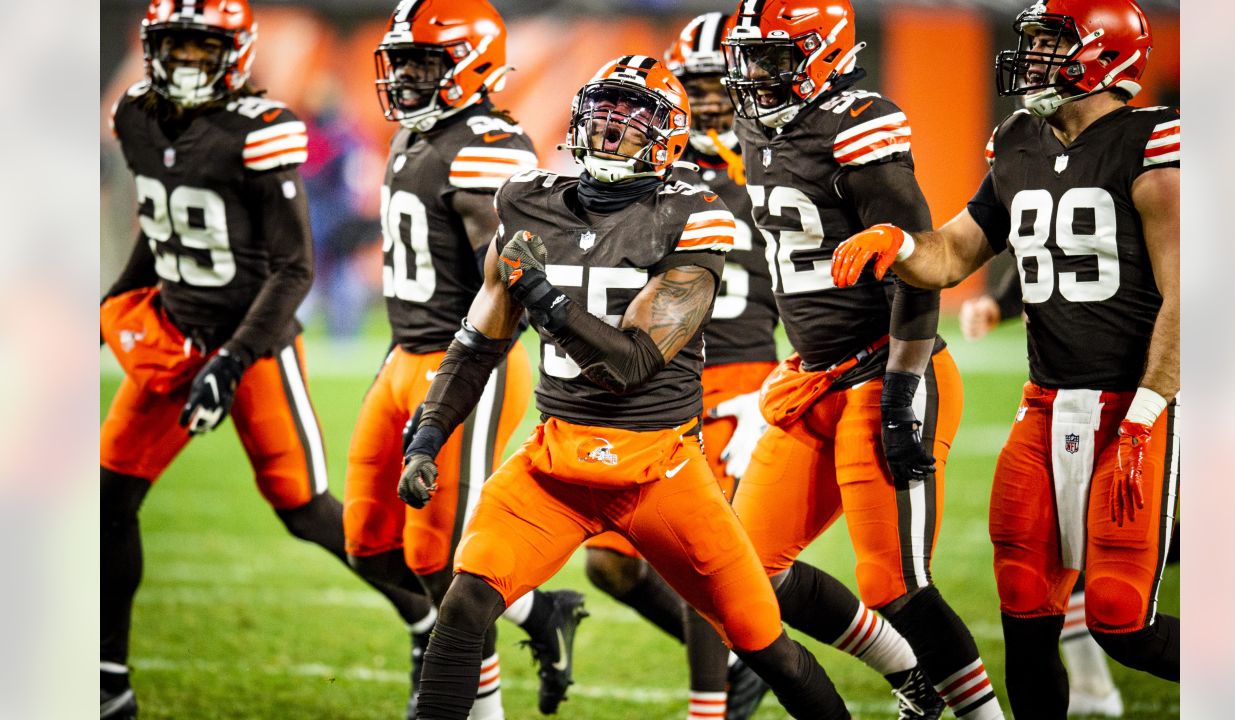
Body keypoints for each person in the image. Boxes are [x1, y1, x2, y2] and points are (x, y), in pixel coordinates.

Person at [398, 55, 853, 720]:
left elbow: (633, 365)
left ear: (666, 137)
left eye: (632, 118)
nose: (610, 129)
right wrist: (429, 433)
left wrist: (548, 300)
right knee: (466, 600)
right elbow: (480, 340)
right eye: (601, 112)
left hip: (659, 467)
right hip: (556, 462)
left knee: (762, 640)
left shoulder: (691, 216)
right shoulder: (528, 202)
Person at [830, 0, 1180, 717]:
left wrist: (1150, 409)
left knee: (1120, 618)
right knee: (1024, 603)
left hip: (1136, 404)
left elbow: (1189, 294)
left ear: (1103, 54)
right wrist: (898, 246)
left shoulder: (1152, 143)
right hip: (1047, 401)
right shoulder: (1017, 140)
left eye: (1053, 44)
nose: (1035, 60)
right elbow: (955, 251)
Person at [98, 2, 429, 717]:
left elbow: (292, 269)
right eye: (174, 48)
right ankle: (107, 681)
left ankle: (427, 618)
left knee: (305, 511)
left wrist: (232, 361)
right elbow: (160, 229)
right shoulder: (137, 115)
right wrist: (111, 306)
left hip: (254, 343)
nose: (186, 62)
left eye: (201, 48)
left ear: (236, 52)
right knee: (107, 502)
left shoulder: (262, 131)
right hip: (171, 337)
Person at [722, 2, 1005, 718]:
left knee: (894, 583)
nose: (757, 74)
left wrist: (904, 387)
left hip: (885, 369)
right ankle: (909, 673)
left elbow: (917, 262)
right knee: (746, 569)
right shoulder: (763, 125)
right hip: (814, 378)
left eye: (777, 58)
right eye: (751, 56)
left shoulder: (856, 125)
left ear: (825, 54)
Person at [346, 1, 586, 717]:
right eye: (404, 62)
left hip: (465, 364)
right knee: (366, 540)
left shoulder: (486, 143)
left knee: (447, 563)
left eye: (426, 62)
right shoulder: (417, 135)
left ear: (470, 63)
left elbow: (512, 273)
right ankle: (542, 614)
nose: (409, 77)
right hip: (402, 357)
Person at [574, 15, 775, 720]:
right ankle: (745, 666)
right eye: (695, 85)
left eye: (722, 83)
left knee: (700, 559)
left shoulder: (782, 162)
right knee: (610, 563)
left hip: (740, 378)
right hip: (651, 376)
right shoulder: (649, 170)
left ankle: (716, 701)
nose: (712, 100)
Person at [960, 265, 1128, 717]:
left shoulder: (1154, 195)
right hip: (1075, 394)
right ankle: (1091, 682)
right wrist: (1000, 302)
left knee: (1127, 591)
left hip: (1144, 391)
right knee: (1057, 543)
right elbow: (1044, 239)